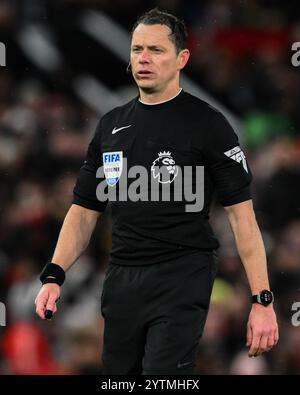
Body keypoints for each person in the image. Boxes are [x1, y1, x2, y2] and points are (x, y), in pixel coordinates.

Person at [35, 8, 279, 375]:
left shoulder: (209, 125)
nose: (143, 59)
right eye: (136, 49)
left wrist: (262, 300)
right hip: (122, 277)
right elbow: (84, 211)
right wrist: (54, 275)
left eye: (155, 50)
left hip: (183, 274)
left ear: (182, 58)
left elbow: (242, 219)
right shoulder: (111, 125)